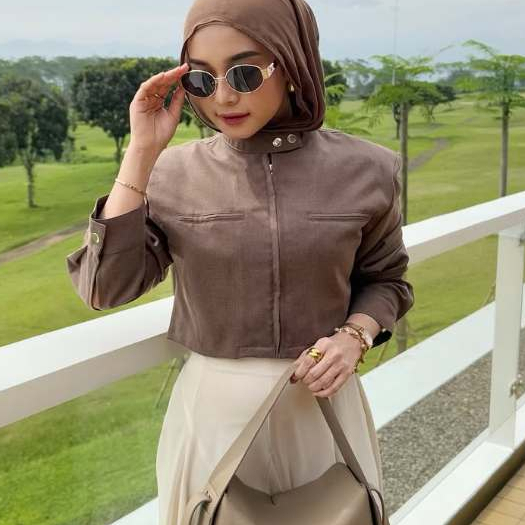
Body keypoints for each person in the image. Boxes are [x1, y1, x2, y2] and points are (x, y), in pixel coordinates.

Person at [65, 0, 415, 523]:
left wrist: (354, 337)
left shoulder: (368, 168)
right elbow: (105, 287)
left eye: (245, 73)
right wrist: (140, 153)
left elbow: (387, 280)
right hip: (213, 419)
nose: (224, 96)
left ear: (291, 64)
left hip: (323, 412)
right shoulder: (172, 173)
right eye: (202, 79)